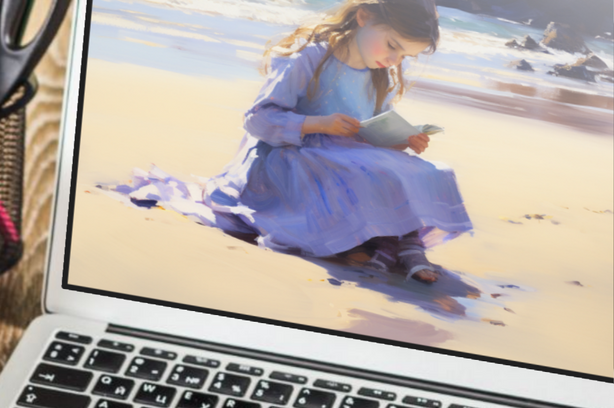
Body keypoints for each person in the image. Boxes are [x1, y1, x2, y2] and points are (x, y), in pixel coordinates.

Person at [112, 1, 470, 282]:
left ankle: (402, 243)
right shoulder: (309, 58)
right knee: (360, 173)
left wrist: (401, 141)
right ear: (363, 17)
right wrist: (319, 123)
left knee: (429, 171)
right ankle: (391, 243)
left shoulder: (380, 78)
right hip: (290, 157)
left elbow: (373, 133)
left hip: (348, 157)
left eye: (404, 55)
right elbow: (258, 119)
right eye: (393, 46)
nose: (394, 60)